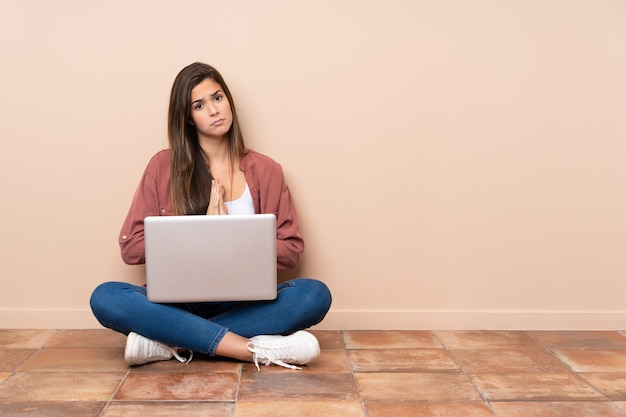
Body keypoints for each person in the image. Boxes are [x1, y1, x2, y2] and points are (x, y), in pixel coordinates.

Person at [90, 62, 332, 370]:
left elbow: (291, 252)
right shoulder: (162, 166)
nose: (214, 110)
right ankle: (250, 349)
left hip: (244, 302)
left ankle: (171, 340)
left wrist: (233, 234)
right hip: (179, 301)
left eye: (218, 98)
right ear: (188, 118)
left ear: (228, 101)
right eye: (200, 105)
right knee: (106, 296)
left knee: (314, 295)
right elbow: (131, 248)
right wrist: (199, 230)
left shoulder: (267, 170)